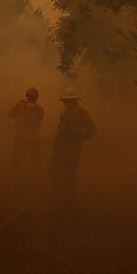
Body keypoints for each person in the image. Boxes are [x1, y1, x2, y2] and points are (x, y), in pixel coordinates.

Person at [49, 87, 95, 217]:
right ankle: (56, 202)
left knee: (69, 178)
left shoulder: (83, 114)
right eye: (65, 101)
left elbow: (92, 129)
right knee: (55, 173)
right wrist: (56, 144)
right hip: (60, 150)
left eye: (68, 101)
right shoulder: (64, 113)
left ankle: (69, 206)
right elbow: (60, 130)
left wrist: (79, 137)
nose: (65, 103)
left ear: (74, 101)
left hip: (73, 151)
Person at [7, 87, 44, 184]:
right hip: (33, 139)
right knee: (36, 161)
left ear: (26, 96)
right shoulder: (40, 109)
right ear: (37, 97)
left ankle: (14, 181)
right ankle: (38, 181)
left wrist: (20, 104)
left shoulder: (20, 106)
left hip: (20, 137)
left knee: (16, 161)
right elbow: (40, 118)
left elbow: (10, 115)